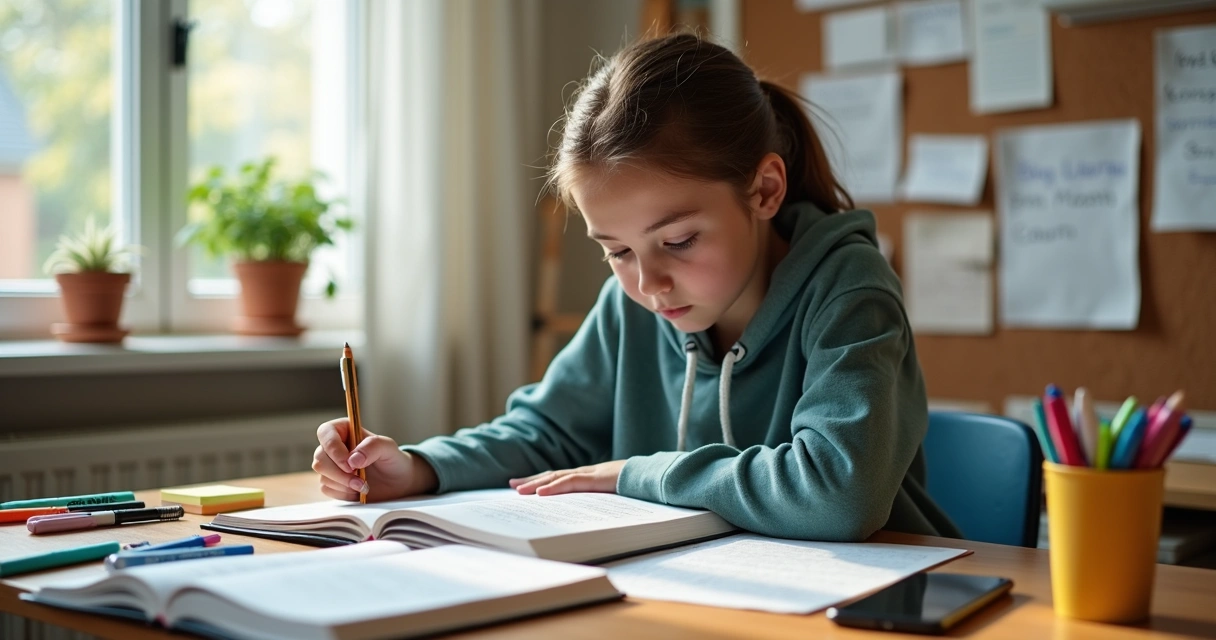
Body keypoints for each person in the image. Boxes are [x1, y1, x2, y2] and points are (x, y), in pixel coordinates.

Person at [312, 33, 959, 541]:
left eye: (678, 241)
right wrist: (420, 468)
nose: (648, 282)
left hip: (878, 597)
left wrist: (630, 474)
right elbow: (546, 433)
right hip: (709, 586)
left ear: (764, 190)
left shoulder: (849, 289)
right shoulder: (633, 303)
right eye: (616, 250)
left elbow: (839, 494)